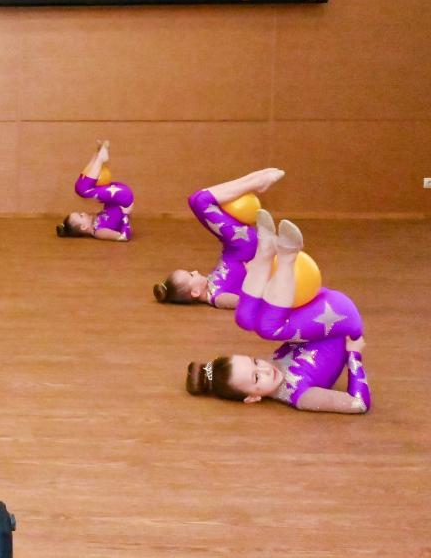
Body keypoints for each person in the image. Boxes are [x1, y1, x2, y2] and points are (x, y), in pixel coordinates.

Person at [186, 211, 370, 414]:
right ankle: (286, 256)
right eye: (257, 377)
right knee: (268, 329)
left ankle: (265, 251)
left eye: (255, 362)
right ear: (252, 398)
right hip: (342, 319)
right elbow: (358, 404)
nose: (265, 369)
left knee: (244, 319)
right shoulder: (301, 396)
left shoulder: (272, 364)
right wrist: (354, 354)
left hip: (317, 306)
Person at [154, 167, 285, 307]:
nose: (195, 271)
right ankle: (256, 181)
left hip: (237, 244)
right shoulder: (218, 298)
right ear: (195, 292)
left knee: (194, 200)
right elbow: (245, 303)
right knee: (200, 201)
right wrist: (257, 269)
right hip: (242, 242)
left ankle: (256, 180)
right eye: (191, 275)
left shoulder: (210, 284)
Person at [56, 140, 133, 241]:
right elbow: (124, 237)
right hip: (123, 197)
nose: (83, 213)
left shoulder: (96, 220)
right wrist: (126, 214)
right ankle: (99, 158)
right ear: (84, 227)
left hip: (116, 194)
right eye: (81, 215)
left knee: (81, 188)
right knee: (82, 190)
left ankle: (97, 156)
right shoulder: (98, 232)